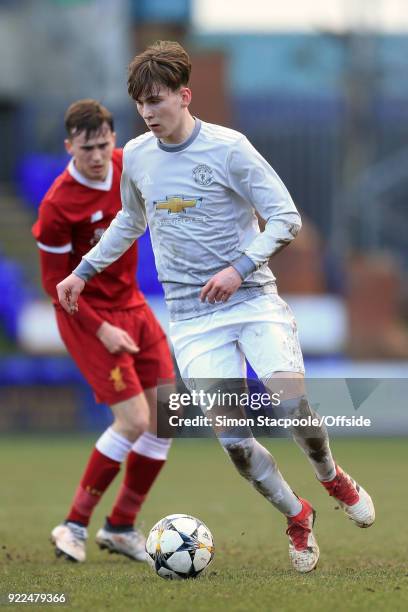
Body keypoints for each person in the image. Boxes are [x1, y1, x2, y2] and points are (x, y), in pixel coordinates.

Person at [56, 43, 375, 573]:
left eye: (156, 101)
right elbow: (130, 221)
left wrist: (238, 269)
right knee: (234, 442)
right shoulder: (135, 155)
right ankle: (298, 516)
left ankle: (331, 476)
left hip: (252, 301)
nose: (148, 114)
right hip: (191, 319)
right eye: (140, 105)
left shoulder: (230, 149)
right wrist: (83, 270)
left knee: (290, 402)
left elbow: (286, 218)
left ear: (184, 96)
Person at [32, 99, 175, 563]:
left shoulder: (127, 164)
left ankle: (120, 526)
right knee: (133, 420)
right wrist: (101, 331)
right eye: (86, 147)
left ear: (114, 140)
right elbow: (55, 287)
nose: (97, 155)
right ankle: (72, 524)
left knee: (166, 417)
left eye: (104, 144)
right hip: (86, 315)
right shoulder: (57, 205)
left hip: (132, 305)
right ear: (69, 146)